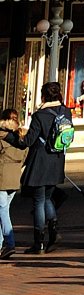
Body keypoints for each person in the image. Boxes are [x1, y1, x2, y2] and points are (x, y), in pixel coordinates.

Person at [22, 80, 73, 255]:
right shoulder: (66, 111)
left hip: (40, 163)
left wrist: (12, 137)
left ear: (44, 95)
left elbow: (28, 141)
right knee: (48, 198)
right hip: (57, 160)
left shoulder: (39, 115)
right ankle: (54, 233)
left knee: (39, 201)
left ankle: (39, 243)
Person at [0, 107, 25, 260]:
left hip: (2, 178)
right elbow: (25, 156)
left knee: (3, 212)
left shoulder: (1, 135)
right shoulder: (22, 136)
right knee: (2, 212)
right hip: (15, 179)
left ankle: (10, 243)